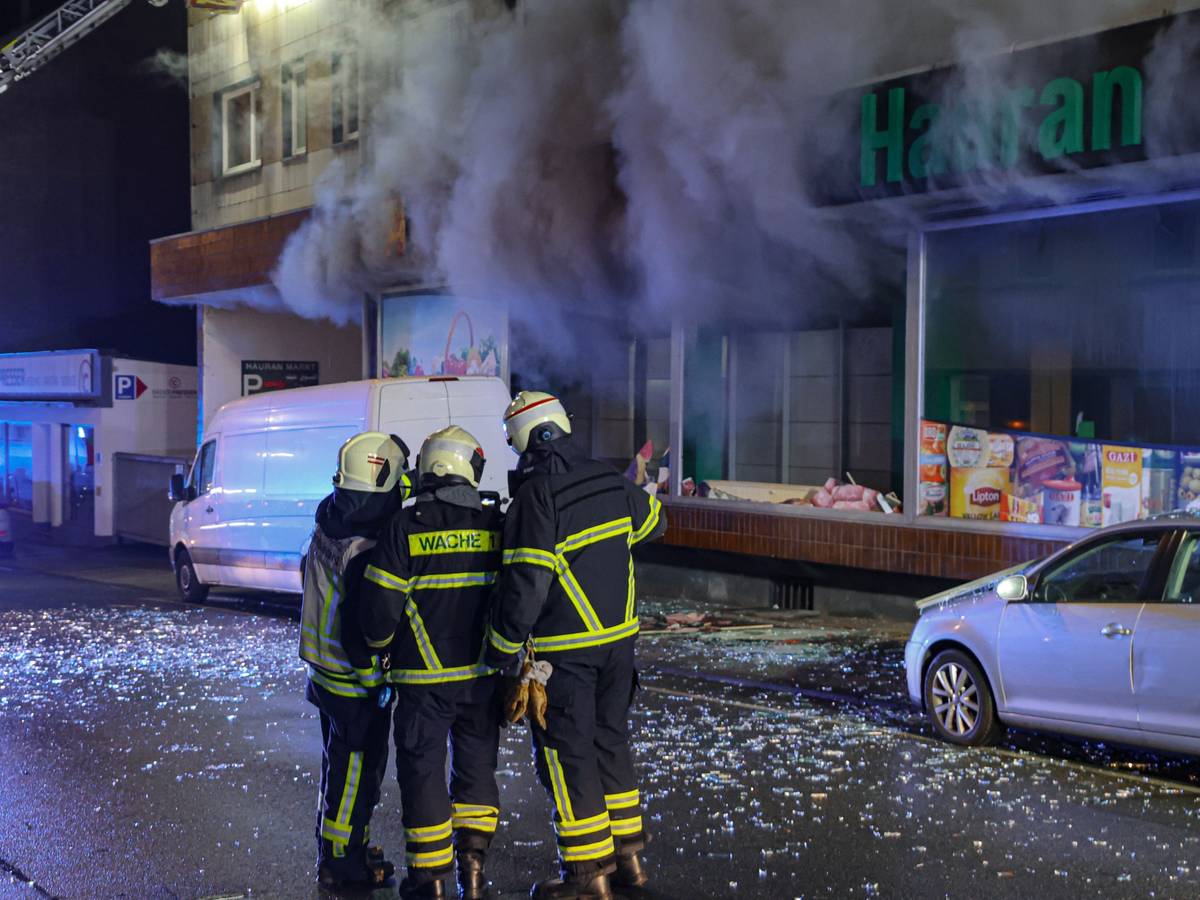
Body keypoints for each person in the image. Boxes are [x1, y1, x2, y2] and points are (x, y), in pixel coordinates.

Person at [485, 391, 667, 900]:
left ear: (522, 439)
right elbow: (656, 521)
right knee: (610, 741)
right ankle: (630, 860)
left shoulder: (536, 497)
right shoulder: (609, 480)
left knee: (569, 756)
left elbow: (525, 584)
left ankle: (588, 877)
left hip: (566, 652)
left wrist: (500, 650)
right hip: (619, 647)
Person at [355, 425, 505, 900]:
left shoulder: (406, 526)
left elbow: (379, 612)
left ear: (429, 468)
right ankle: (473, 872)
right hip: (482, 678)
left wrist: (378, 646)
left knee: (423, 773)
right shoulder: (493, 525)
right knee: (477, 769)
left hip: (422, 682)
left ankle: (430, 880)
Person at [299, 431, 413, 892]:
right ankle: (342, 864)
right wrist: (376, 679)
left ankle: (340, 846)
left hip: (321, 668)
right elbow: (359, 624)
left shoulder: (330, 517)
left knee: (336, 764)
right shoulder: (368, 548)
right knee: (357, 775)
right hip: (352, 680)